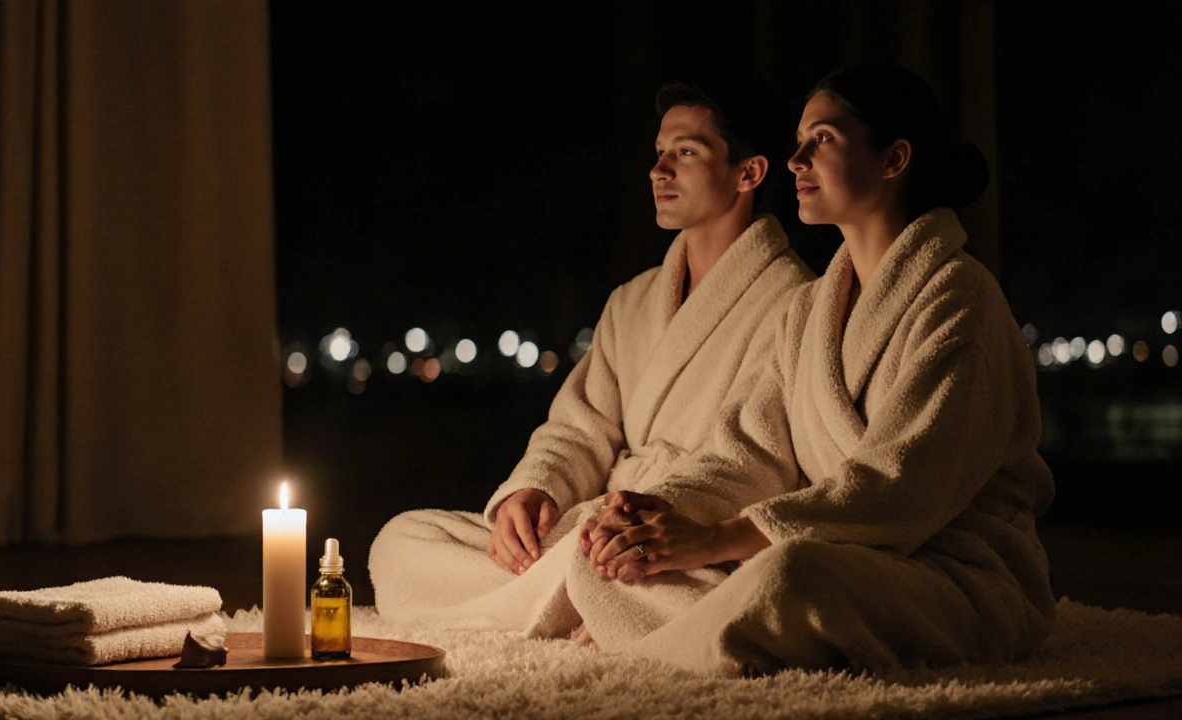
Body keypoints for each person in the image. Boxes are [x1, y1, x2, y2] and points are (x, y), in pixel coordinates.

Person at [569, 63, 1056, 674]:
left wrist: (715, 539)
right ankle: (692, 633)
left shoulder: (960, 300)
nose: (796, 160)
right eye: (798, 141)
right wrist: (655, 513)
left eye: (821, 139)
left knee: (788, 577)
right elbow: (748, 451)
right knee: (603, 558)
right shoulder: (808, 310)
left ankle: (656, 641)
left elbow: (898, 488)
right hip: (837, 551)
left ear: (893, 159)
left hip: (951, 574)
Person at [368, 74, 813, 635]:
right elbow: (580, 428)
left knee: (731, 588)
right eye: (658, 152)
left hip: (678, 533)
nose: (659, 170)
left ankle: (576, 593)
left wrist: (644, 514)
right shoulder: (633, 300)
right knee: (400, 543)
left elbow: (754, 456)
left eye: (685, 152)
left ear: (749, 173)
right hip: (596, 530)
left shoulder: (794, 300)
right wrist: (535, 489)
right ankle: (587, 599)